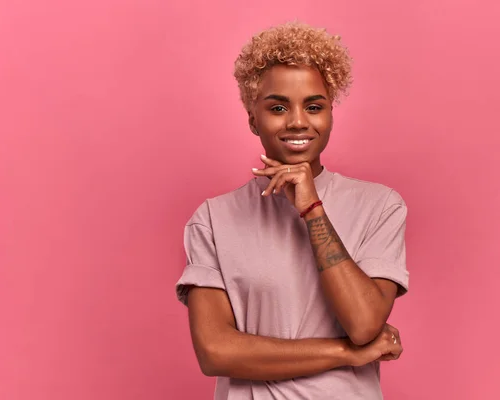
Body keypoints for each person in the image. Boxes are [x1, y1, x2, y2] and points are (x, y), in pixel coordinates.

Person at [175, 21, 409, 400]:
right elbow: (216, 352)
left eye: (313, 106)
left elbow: (365, 323)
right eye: (278, 107)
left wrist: (312, 207)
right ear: (253, 119)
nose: (298, 121)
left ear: (330, 114)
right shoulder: (213, 219)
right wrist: (345, 353)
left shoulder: (380, 207)